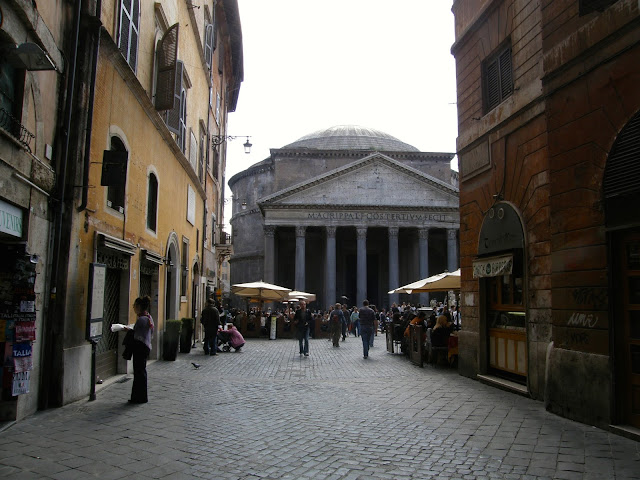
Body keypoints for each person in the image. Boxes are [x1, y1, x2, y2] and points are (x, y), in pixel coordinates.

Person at [128, 296, 154, 404]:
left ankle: (139, 397)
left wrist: (127, 329)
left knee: (139, 372)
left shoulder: (142, 319)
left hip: (140, 347)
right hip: (146, 346)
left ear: (138, 307)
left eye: (134, 306)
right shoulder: (148, 317)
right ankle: (140, 396)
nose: (133, 308)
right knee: (141, 372)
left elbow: (136, 334)